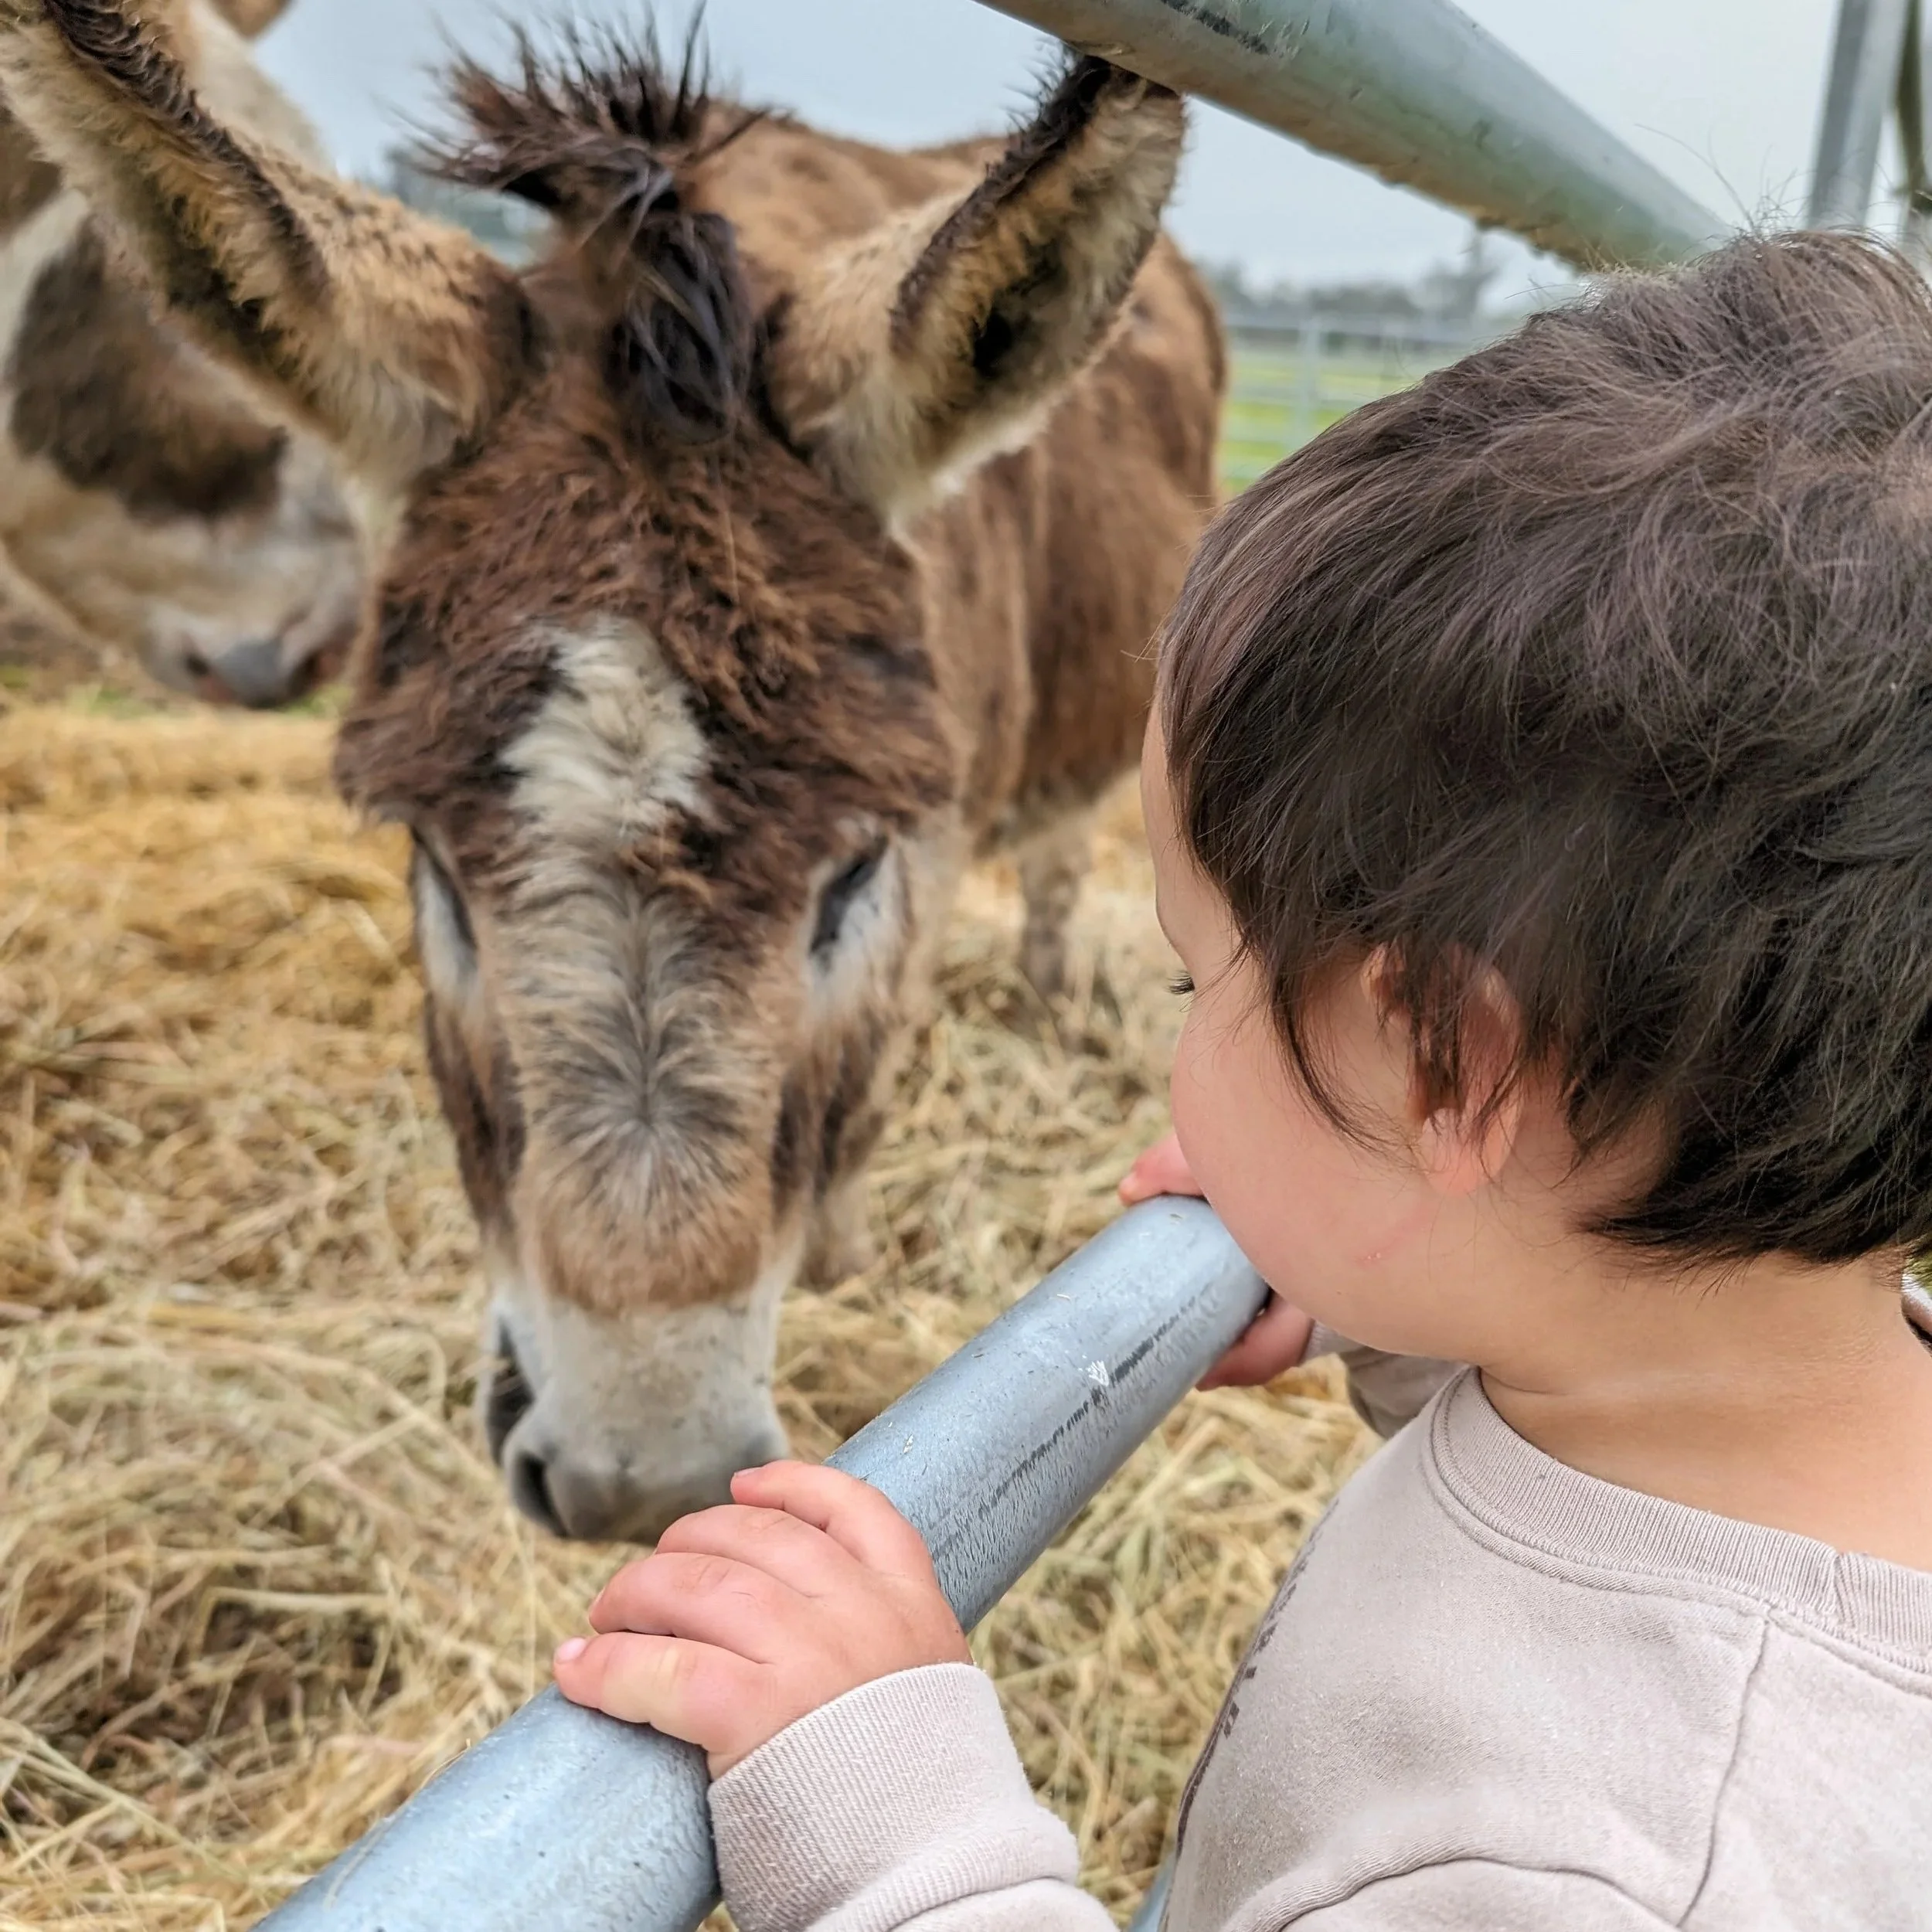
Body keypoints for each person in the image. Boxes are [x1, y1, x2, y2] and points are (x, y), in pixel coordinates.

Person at [549, 231, 1932, 1929]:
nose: (1178, 1026)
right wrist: (1389, 1287)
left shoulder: (1610, 1870)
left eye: (1193, 971)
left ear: (1442, 1062)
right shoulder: (1768, 1374)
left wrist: (900, 1831)